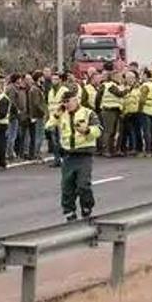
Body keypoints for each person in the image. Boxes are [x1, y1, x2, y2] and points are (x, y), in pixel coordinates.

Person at [53, 90, 101, 222]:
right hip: (68, 155)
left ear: (76, 100)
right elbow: (49, 126)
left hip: (84, 154)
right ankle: (69, 212)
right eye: (64, 102)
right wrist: (56, 115)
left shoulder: (88, 113)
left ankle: (86, 207)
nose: (67, 104)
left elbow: (98, 130)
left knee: (83, 184)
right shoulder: (62, 114)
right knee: (67, 186)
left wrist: (87, 130)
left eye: (69, 101)